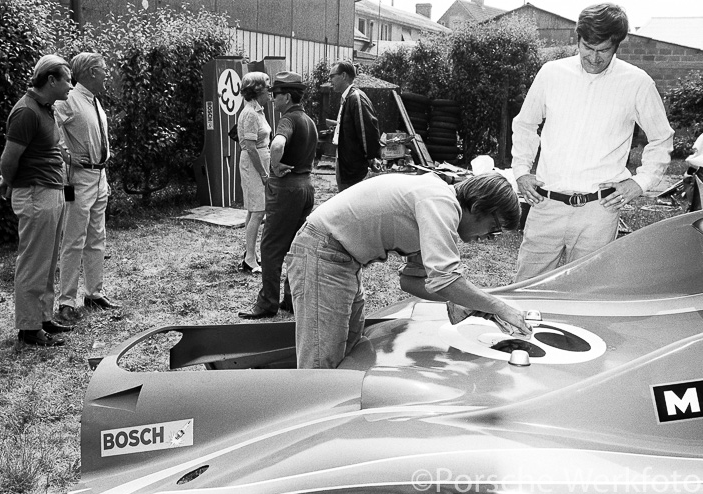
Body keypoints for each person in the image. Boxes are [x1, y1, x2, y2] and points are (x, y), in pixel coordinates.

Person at [285, 171, 531, 369]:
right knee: (321, 366)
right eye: (494, 228)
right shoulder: (440, 202)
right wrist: (499, 306)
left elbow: (411, 282)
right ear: (478, 207)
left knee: (348, 350)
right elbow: (446, 280)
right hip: (323, 252)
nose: (487, 238)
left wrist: (469, 302)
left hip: (341, 259)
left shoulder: (436, 207)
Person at [512, 3, 674, 282]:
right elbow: (526, 124)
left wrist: (641, 182)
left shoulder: (637, 83)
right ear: (577, 39)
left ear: (617, 45)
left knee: (584, 289)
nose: (595, 58)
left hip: (599, 212)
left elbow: (661, 138)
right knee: (527, 287)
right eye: (588, 47)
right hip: (546, 204)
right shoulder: (551, 74)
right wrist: (522, 171)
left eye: (604, 50)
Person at [0, 55, 74, 346]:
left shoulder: (45, 108)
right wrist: (9, 181)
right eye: (66, 79)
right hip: (36, 194)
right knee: (33, 262)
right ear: (51, 80)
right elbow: (9, 159)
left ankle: (43, 318)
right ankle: (29, 329)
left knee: (48, 260)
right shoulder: (26, 112)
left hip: (51, 191)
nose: (70, 85)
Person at [238, 71, 317, 320]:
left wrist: (275, 166)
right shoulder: (309, 121)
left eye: (277, 95)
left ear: (287, 96)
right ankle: (291, 298)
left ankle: (267, 303)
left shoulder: (288, 120)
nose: (273, 99)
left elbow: (277, 144)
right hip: (306, 187)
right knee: (296, 246)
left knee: (271, 247)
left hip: (287, 189)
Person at [54, 52, 119, 324]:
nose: (107, 74)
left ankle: (94, 292)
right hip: (78, 178)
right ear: (91, 72)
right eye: (104, 70)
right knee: (73, 240)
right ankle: (66, 301)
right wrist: (67, 155)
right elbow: (53, 129)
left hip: (98, 175)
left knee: (97, 237)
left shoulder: (93, 100)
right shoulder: (68, 99)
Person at [326, 61, 381, 191]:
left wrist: (371, 158)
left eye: (332, 76)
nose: (330, 80)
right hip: (345, 162)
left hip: (353, 167)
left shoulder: (356, 98)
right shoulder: (347, 98)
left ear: (344, 75)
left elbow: (366, 130)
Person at [236, 71, 271, 273]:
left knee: (254, 210)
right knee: (258, 210)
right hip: (253, 164)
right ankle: (249, 258)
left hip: (258, 160)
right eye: (267, 87)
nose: (270, 92)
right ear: (257, 90)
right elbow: (250, 147)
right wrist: (264, 174)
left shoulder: (257, 110)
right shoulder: (250, 113)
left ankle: (250, 253)